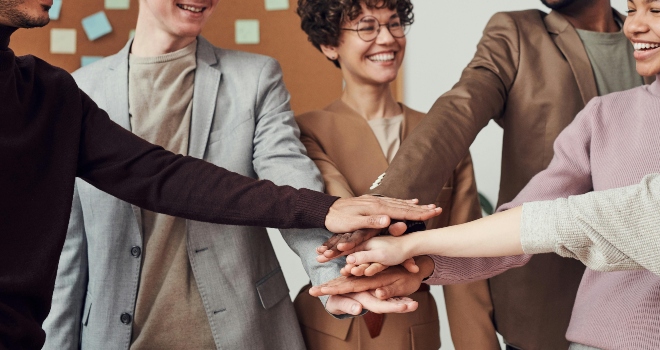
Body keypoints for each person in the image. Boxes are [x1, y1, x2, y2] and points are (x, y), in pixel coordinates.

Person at [314, 0, 660, 348]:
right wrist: (407, 241)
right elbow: (547, 214)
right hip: (579, 321)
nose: (638, 23)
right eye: (633, 9)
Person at [0, 0, 441, 348]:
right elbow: (67, 251)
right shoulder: (81, 87)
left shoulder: (48, 93)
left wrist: (331, 269)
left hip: (240, 334)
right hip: (115, 336)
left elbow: (171, 177)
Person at [292, 0, 482, 349]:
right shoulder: (305, 131)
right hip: (326, 331)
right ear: (329, 44)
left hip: (414, 328)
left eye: (394, 24)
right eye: (367, 27)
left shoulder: (440, 132)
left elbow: (469, 254)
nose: (387, 39)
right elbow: (343, 220)